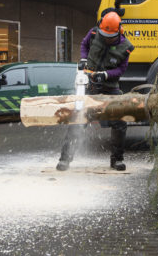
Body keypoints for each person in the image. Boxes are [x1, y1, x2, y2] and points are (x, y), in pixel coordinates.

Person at [56, 11, 134, 171]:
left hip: (110, 88)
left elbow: (121, 70)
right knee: (78, 118)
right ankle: (65, 159)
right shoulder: (93, 33)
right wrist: (84, 59)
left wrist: (105, 75)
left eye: (109, 36)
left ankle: (117, 160)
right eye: (103, 35)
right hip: (89, 84)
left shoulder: (126, 47)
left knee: (120, 121)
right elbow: (84, 45)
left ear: (118, 31)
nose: (105, 38)